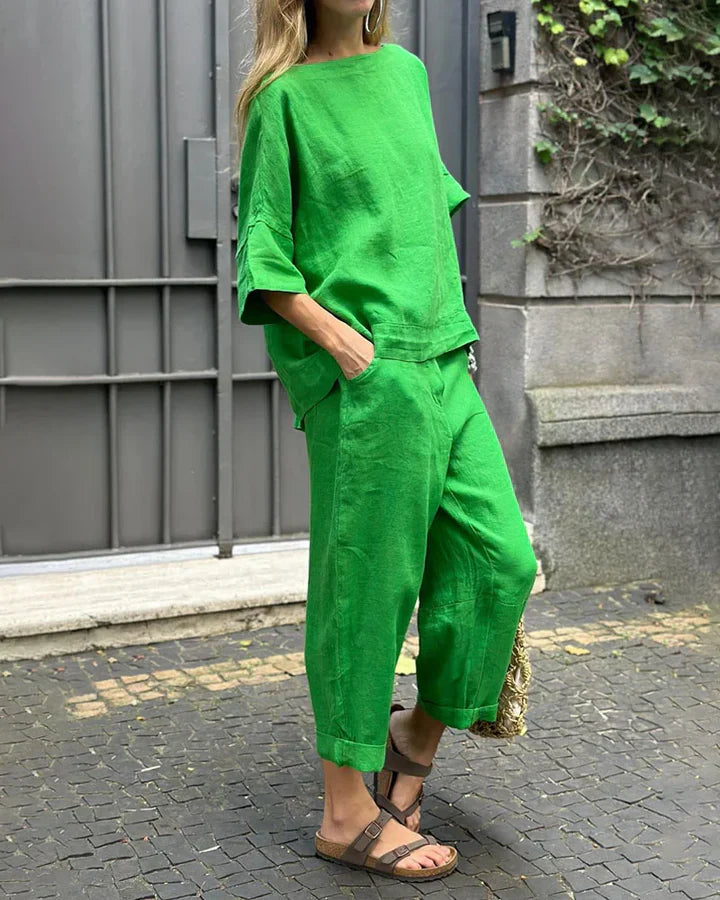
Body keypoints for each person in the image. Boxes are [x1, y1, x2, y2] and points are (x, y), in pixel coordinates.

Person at [234, 0, 538, 883]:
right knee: (363, 586)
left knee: (501, 561)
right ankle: (344, 811)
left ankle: (414, 736)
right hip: (370, 378)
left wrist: (447, 328)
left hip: (445, 360)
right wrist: (344, 347)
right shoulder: (283, 100)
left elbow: (420, 219)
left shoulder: (407, 76)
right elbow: (264, 253)